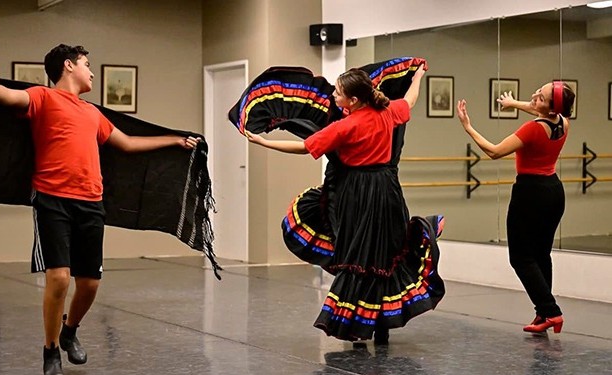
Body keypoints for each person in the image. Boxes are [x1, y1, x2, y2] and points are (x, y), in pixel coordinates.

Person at [0, 44, 199, 375]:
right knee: (59, 277)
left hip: (91, 202)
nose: (92, 72)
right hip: (52, 199)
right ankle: (51, 351)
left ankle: (69, 331)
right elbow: (9, 97)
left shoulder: (92, 113)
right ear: (68, 66)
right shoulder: (42, 97)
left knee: (90, 283)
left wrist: (172, 141)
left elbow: (126, 143)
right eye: (87, 64)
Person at [246, 66, 444, 344]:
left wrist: (263, 142)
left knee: (359, 257)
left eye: (338, 92)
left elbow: (305, 148)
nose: (333, 95)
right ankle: (381, 327)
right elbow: (410, 101)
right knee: (384, 255)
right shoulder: (387, 111)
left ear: (352, 100)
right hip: (388, 191)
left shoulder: (347, 125)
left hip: (358, 193)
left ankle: (358, 325)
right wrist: (419, 76)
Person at [456, 81, 575, 334]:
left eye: (540, 97)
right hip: (554, 192)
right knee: (542, 254)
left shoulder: (532, 129)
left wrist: (468, 128)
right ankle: (543, 312)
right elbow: (539, 112)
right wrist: (513, 104)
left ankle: (551, 311)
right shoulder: (563, 122)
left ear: (551, 107)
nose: (534, 97)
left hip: (530, 194)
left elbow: (494, 152)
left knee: (520, 257)